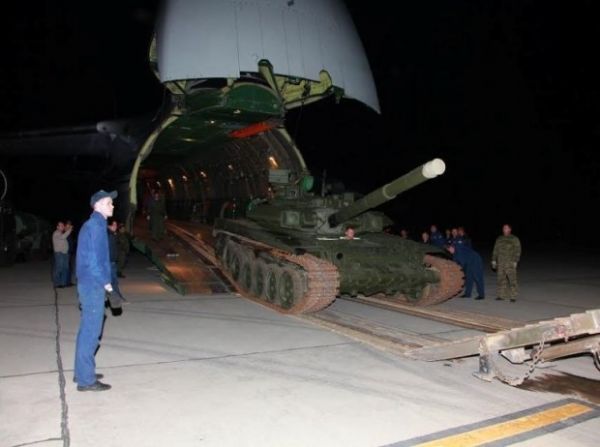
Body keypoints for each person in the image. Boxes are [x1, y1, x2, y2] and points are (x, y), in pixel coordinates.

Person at [74, 189, 118, 391]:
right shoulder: (96, 226)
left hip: (88, 284)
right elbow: (94, 262)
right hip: (93, 285)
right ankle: (86, 380)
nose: (112, 206)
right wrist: (107, 284)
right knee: (91, 332)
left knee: (87, 330)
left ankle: (82, 371)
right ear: (98, 205)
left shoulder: (94, 224)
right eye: (109, 203)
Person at [492, 223, 521, 302]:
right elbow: (495, 250)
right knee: (501, 279)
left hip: (510, 263)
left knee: (512, 280)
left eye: (505, 228)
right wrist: (494, 260)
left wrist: (516, 261)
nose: (504, 229)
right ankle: (501, 295)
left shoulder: (514, 238)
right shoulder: (499, 238)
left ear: (509, 229)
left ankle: (513, 296)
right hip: (500, 262)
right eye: (503, 228)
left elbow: (518, 250)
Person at [107, 219, 126, 304]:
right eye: (113, 225)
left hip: (112, 261)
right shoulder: (109, 236)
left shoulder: (113, 235)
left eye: (116, 225)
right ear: (109, 226)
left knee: (112, 281)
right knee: (113, 281)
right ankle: (117, 298)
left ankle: (116, 298)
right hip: (109, 262)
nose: (115, 227)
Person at [52, 221, 72, 288]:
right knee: (59, 268)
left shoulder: (61, 233)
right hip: (59, 253)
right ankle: (56, 284)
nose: (63, 227)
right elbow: (63, 237)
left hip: (64, 254)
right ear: (57, 227)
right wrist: (69, 230)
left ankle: (63, 283)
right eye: (61, 225)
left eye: (63, 225)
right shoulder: (56, 233)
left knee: (65, 269)